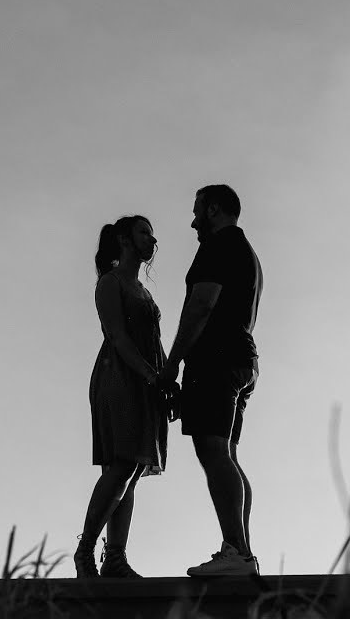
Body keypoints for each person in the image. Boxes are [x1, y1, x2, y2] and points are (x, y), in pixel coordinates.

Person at [161, 184, 264, 576]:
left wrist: (173, 363)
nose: (193, 222)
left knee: (213, 452)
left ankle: (236, 552)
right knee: (227, 455)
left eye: (197, 211)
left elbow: (201, 304)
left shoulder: (218, 245)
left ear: (214, 209)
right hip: (242, 359)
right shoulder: (247, 252)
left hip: (217, 359)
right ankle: (243, 555)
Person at [76, 215, 176, 579]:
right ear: (124, 238)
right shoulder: (110, 282)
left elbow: (155, 343)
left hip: (147, 382)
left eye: (152, 233)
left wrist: (167, 381)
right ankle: (86, 550)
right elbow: (117, 337)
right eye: (143, 232)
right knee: (121, 466)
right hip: (118, 378)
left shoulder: (144, 292)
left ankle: (115, 558)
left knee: (132, 470)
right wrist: (151, 376)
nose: (152, 239)